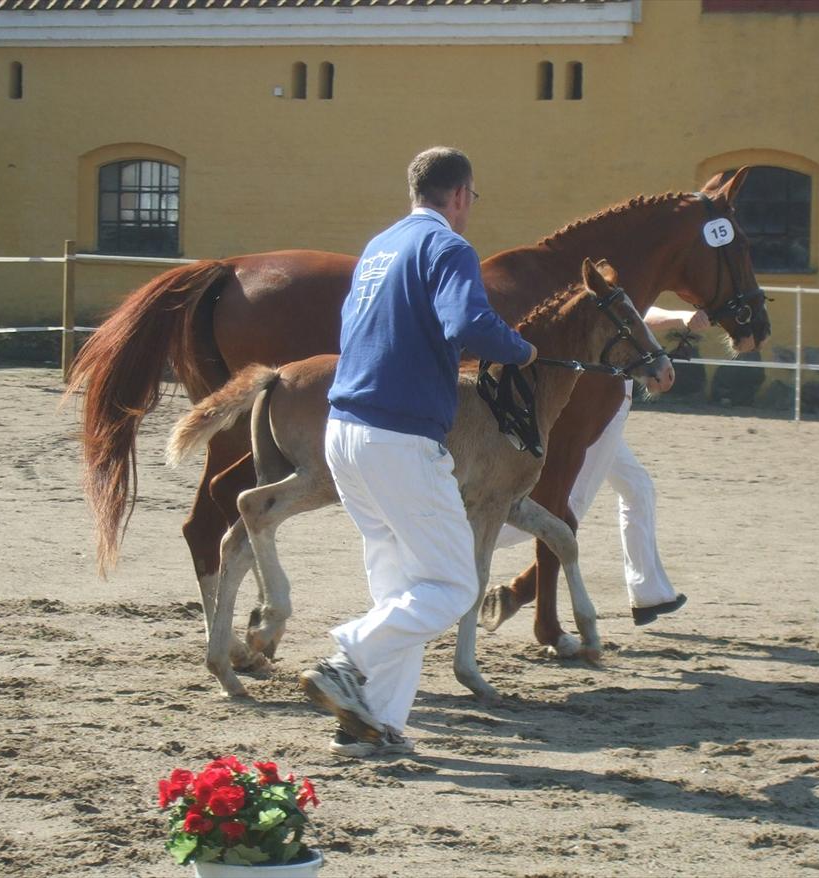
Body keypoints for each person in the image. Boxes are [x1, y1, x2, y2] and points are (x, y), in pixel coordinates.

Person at [300, 147, 537, 759]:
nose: (470, 209)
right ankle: (346, 660)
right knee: (454, 586)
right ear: (458, 194)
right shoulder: (448, 247)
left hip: (344, 431)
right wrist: (521, 349)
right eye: (472, 198)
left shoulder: (380, 246)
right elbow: (471, 324)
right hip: (399, 438)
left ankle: (371, 725)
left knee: (401, 593)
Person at [495, 306, 710, 625]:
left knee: (638, 490)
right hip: (602, 408)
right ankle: (481, 544)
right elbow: (636, 316)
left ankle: (649, 594)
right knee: (569, 506)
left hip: (614, 405)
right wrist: (680, 317)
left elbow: (636, 313)